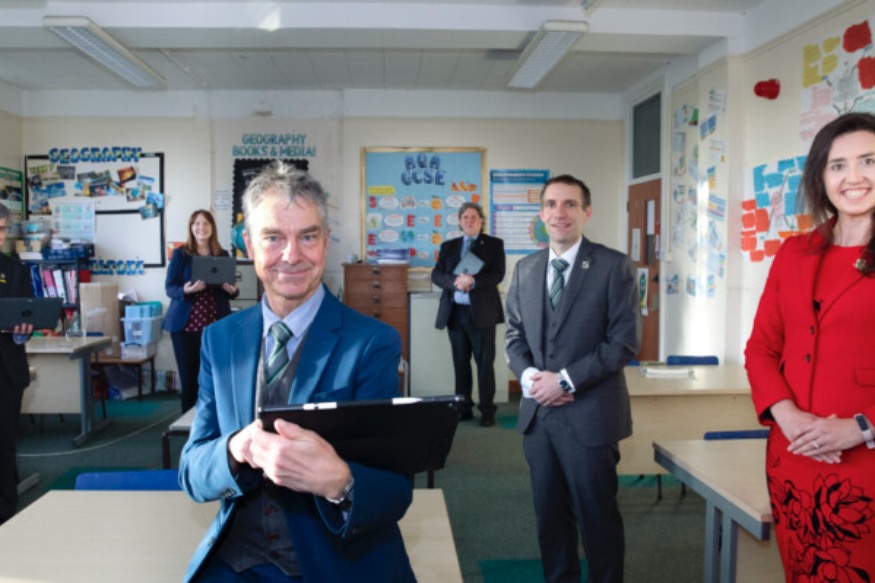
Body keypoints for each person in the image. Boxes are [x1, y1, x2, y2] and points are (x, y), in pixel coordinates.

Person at [178, 162, 415, 582]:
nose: (292, 255)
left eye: (307, 236)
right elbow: (192, 471)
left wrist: (340, 482)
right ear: (249, 245)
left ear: (325, 241)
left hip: (332, 561)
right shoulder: (220, 340)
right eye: (273, 237)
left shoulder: (371, 343)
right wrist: (234, 448)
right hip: (238, 558)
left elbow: (395, 491)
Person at [745, 112, 875, 581]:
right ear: (821, 177)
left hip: (865, 462)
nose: (853, 177)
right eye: (838, 165)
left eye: (868, 161)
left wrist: (861, 427)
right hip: (794, 456)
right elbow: (761, 348)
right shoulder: (795, 252)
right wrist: (787, 416)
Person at [505, 174, 639, 583]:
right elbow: (514, 337)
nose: (559, 213)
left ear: (586, 212)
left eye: (570, 204)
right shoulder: (525, 269)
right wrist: (530, 377)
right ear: (541, 213)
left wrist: (563, 381)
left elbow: (623, 343)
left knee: (598, 520)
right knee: (550, 519)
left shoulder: (613, 266)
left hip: (590, 417)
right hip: (539, 420)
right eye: (551, 204)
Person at [431, 202, 505, 427]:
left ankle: (487, 411)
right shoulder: (449, 246)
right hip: (455, 313)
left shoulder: (493, 244)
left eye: (474, 217)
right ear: (459, 221)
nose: (469, 220)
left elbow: (497, 274)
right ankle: (463, 408)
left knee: (485, 364)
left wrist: (473, 281)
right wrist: (455, 282)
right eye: (465, 217)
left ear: (481, 221)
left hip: (482, 314)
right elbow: (437, 274)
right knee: (460, 364)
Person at [163, 210, 239, 412]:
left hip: (215, 325)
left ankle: (214, 420)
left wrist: (232, 290)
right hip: (186, 326)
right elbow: (170, 287)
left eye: (206, 223)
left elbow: (232, 291)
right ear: (191, 227)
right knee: (189, 378)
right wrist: (186, 290)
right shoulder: (181, 255)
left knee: (216, 376)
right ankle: (190, 423)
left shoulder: (222, 255)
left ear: (212, 228)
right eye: (197, 223)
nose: (201, 227)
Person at [0, 204, 35, 526]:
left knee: (5, 443)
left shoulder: (15, 270)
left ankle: (6, 513)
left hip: (7, 369)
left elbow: (27, 316)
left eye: (2, 229)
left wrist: (24, 330)